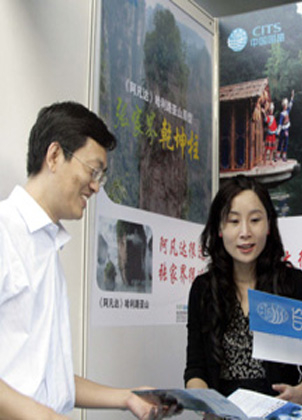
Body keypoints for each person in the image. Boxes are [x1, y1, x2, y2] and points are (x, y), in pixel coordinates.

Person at [0, 101, 177, 420]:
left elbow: (48, 379)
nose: (95, 186)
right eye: (93, 171)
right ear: (55, 156)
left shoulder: (47, 245)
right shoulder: (5, 232)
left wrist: (127, 398)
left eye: (101, 176)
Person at [184, 175, 302, 407]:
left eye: (255, 220)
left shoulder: (293, 283)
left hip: (280, 412)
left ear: (268, 225)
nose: (245, 232)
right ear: (219, 228)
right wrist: (206, 403)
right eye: (233, 221)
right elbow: (195, 369)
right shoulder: (203, 289)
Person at [276, 90, 294, 162]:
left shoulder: (287, 111)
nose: (286, 106)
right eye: (285, 105)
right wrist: (278, 131)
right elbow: (280, 123)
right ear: (284, 106)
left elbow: (290, 105)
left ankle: (283, 156)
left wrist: (292, 97)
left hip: (286, 129)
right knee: (281, 142)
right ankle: (278, 155)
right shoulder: (282, 114)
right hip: (283, 130)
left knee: (286, 142)